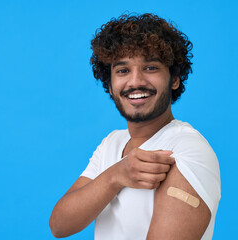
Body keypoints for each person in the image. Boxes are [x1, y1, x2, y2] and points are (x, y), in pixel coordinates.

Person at [49, 13, 221, 240]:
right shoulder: (113, 143)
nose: (136, 81)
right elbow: (60, 225)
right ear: (110, 86)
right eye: (122, 70)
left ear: (174, 79)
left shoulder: (186, 148)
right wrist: (116, 175)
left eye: (150, 67)